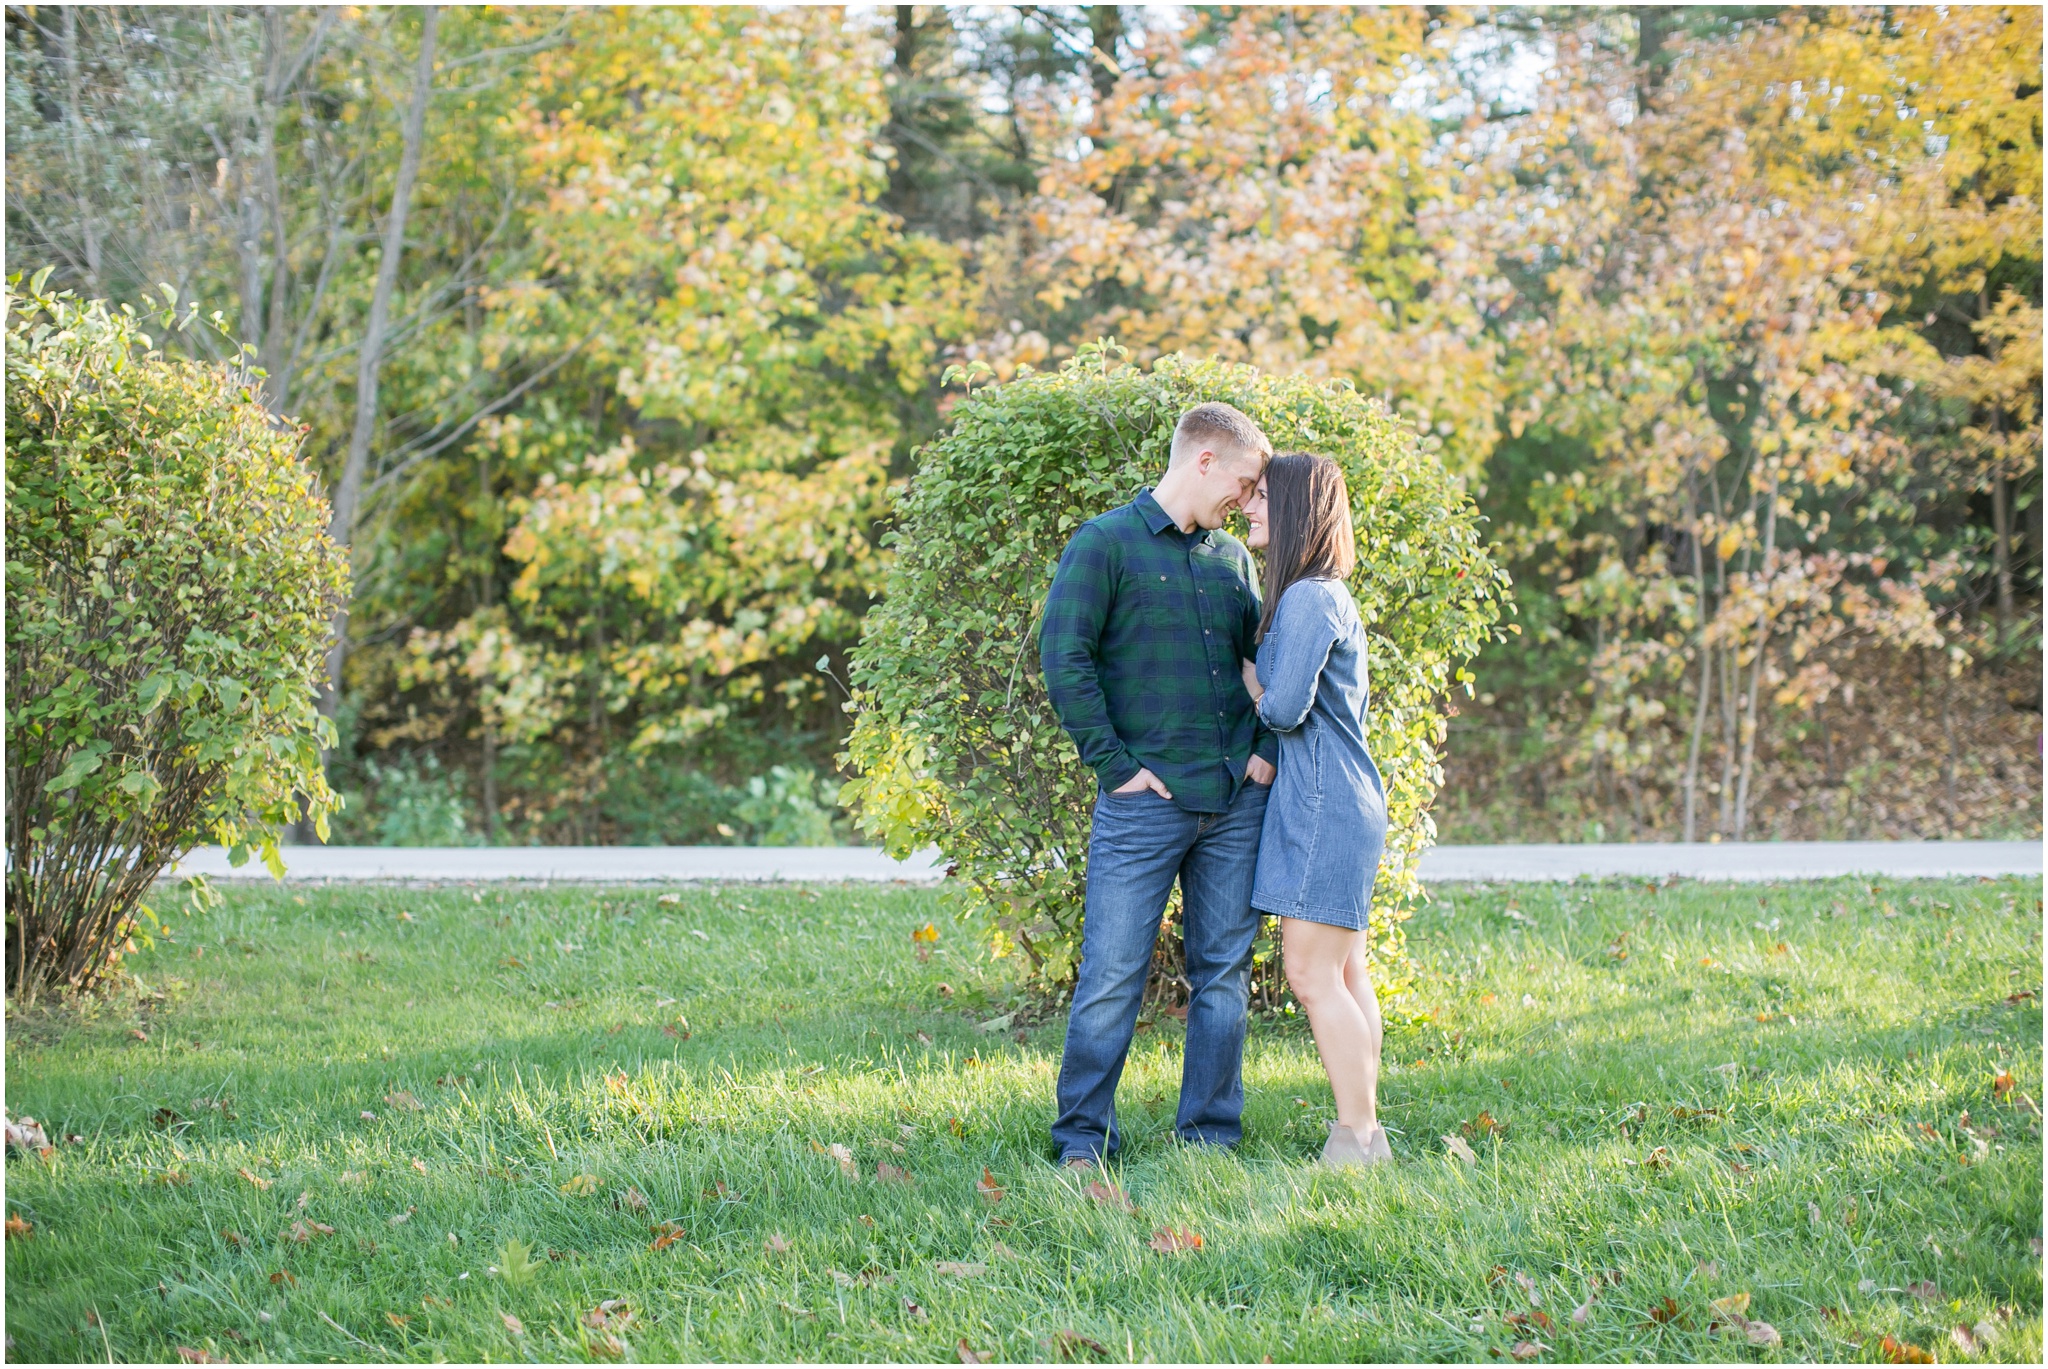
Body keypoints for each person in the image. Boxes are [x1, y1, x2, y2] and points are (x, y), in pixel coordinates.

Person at [1038, 401, 1277, 1169]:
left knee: (1223, 975)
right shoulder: (1103, 544)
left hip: (1233, 800)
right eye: (1243, 481)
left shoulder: (1231, 560)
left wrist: (1262, 751)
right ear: (1204, 460)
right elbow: (1064, 659)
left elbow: (1263, 666)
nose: (1246, 499)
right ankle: (1083, 1138)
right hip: (1144, 804)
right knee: (1111, 974)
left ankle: (1208, 1135)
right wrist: (1115, 767)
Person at [1237, 453, 1392, 1168]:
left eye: (1264, 496)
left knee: (1310, 974)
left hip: (1325, 801)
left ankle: (1356, 1136)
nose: (1249, 507)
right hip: (1342, 795)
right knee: (1346, 970)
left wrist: (1242, 673)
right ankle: (1366, 1132)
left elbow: (1285, 705)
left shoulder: (1307, 598)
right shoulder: (1324, 594)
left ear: (1299, 508)